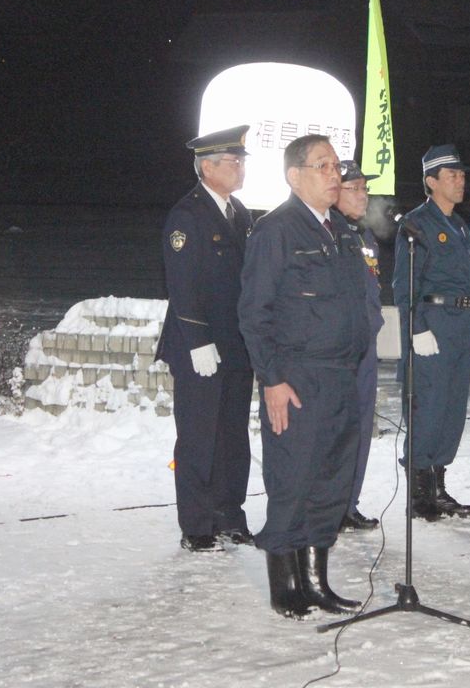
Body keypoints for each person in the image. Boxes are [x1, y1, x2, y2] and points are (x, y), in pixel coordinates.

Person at [238, 134, 370, 619]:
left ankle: (316, 582)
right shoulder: (277, 231)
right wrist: (271, 379)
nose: (336, 175)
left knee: (330, 482)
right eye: (323, 166)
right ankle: (286, 586)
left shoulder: (338, 231)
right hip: (297, 377)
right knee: (294, 479)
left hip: (340, 376)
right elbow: (254, 313)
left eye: (336, 166)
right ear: (294, 177)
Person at [155, 125, 254, 552]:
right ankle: (197, 524)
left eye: (242, 161)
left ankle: (230, 514)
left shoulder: (240, 214)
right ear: (207, 167)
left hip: (235, 345)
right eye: (234, 162)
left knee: (234, 435)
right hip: (200, 347)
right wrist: (197, 341)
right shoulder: (187, 215)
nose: (241, 168)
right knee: (199, 435)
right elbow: (182, 284)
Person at [392, 145, 470, 522]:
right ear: (431, 181)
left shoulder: (458, 224)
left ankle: (439, 485)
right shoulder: (416, 224)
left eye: (461, 175)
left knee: (451, 410)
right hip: (433, 321)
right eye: (451, 176)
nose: (460, 181)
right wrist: (416, 327)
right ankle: (419, 494)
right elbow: (403, 283)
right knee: (427, 408)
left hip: (459, 324)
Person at [332, 159, 383, 533]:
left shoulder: (365, 237)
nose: (364, 195)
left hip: (365, 347)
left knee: (360, 427)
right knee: (334, 430)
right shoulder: (327, 234)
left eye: (366, 188)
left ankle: (348, 503)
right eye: (355, 188)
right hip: (337, 351)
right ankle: (329, 505)